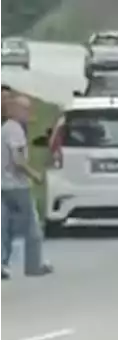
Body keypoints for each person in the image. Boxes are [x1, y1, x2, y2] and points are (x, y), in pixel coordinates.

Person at [0, 93, 53, 278]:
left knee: (4, 226)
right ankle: (34, 265)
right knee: (32, 227)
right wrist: (34, 174)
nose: (28, 113)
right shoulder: (15, 130)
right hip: (18, 186)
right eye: (25, 109)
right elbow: (18, 160)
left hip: (4, 186)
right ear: (15, 110)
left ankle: (2, 264)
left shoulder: (5, 128)